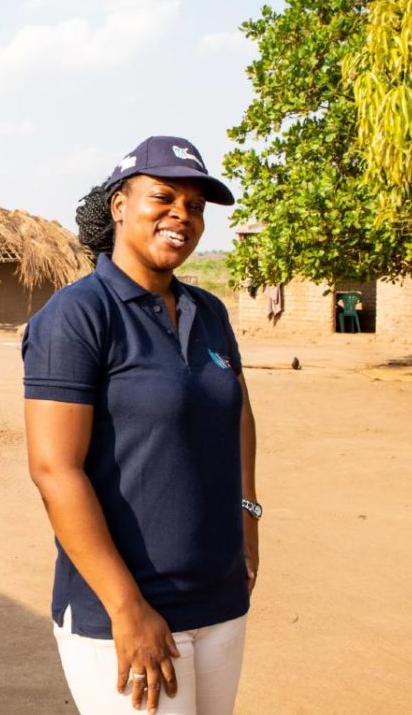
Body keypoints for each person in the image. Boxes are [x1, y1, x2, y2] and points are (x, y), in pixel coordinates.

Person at [23, 136, 260, 715]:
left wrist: (247, 518)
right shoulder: (78, 316)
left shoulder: (210, 312)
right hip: (127, 615)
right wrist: (127, 608)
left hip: (219, 600)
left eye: (197, 206)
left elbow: (239, 410)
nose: (183, 214)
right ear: (119, 205)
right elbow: (55, 469)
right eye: (163, 196)